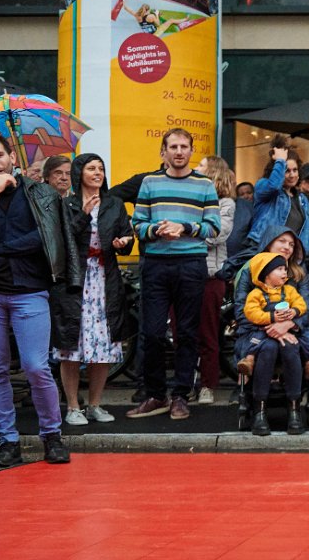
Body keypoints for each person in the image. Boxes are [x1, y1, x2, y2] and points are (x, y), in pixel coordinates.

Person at [0, 133, 75, 466]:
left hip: (30, 290)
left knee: (36, 367)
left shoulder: (41, 194)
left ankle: (52, 436)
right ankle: (6, 440)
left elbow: (44, 238)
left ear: (12, 156)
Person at [124, 128, 219, 421]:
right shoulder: (150, 182)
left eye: (183, 147)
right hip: (156, 264)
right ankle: (156, 394)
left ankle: (180, 395)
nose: (179, 152)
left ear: (191, 150)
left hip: (191, 264)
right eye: (173, 147)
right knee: (152, 333)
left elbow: (214, 227)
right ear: (163, 151)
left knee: (187, 333)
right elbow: (137, 224)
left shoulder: (205, 184)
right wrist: (156, 230)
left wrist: (185, 228)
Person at [53, 153, 134, 426]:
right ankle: (73, 406)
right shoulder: (67, 204)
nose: (98, 173)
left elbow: (127, 234)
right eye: (91, 168)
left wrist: (124, 242)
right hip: (75, 282)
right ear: (80, 173)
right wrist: (84, 215)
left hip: (105, 280)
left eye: (101, 168)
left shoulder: (114, 204)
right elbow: (61, 241)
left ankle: (95, 404)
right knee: (72, 346)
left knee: (104, 346)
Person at [240, 251, 307, 436]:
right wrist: (271, 318)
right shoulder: (256, 294)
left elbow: (302, 305)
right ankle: (259, 409)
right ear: (265, 274)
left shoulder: (289, 291)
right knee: (267, 348)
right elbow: (250, 312)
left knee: (291, 347)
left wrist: (294, 313)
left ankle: (294, 407)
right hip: (262, 332)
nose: (285, 272)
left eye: (285, 269)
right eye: (279, 269)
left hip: (288, 331)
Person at [195, 155, 236, 405]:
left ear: (213, 172)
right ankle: (186, 382)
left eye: (200, 165)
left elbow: (217, 235)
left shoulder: (226, 203)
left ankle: (207, 384)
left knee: (208, 333)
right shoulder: (191, 198)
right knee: (181, 333)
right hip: (185, 273)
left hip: (210, 275)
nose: (195, 168)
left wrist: (185, 231)